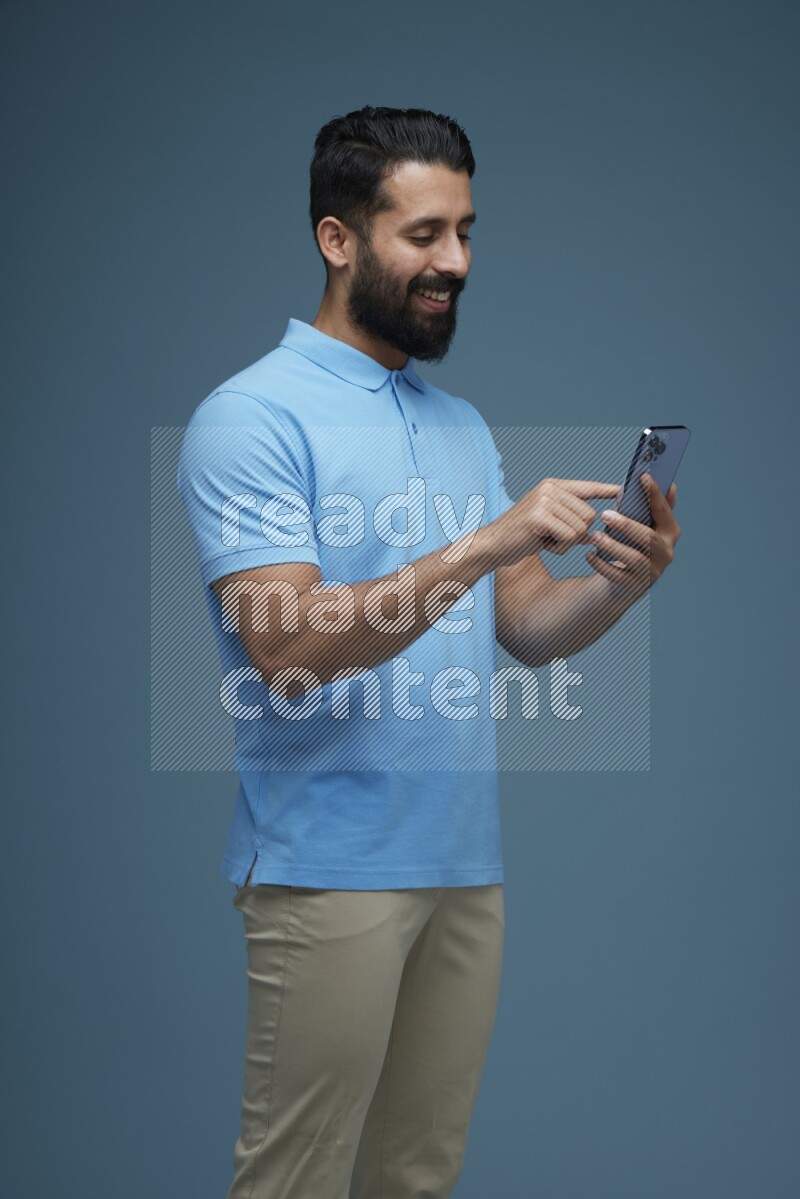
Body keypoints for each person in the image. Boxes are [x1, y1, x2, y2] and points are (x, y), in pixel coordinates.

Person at [176, 105, 681, 1199]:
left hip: (462, 866)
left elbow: (525, 628)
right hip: (324, 869)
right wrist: (489, 537)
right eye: (422, 233)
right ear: (337, 238)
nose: (453, 261)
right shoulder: (250, 417)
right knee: (296, 1179)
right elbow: (283, 651)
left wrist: (618, 585)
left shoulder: (455, 421)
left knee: (414, 1177)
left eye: (464, 230)